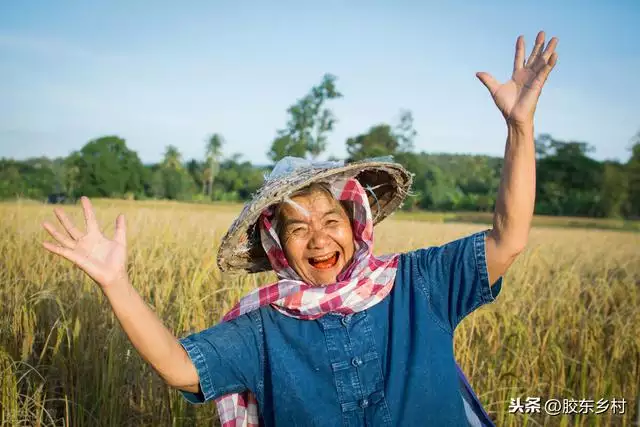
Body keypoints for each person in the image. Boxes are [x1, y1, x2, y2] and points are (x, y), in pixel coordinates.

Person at [42, 31, 558, 426]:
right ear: (277, 246)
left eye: (331, 220)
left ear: (356, 226)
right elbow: (181, 367)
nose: (318, 238)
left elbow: (508, 238)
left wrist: (519, 127)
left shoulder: (418, 286)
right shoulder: (264, 329)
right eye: (298, 228)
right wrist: (116, 282)